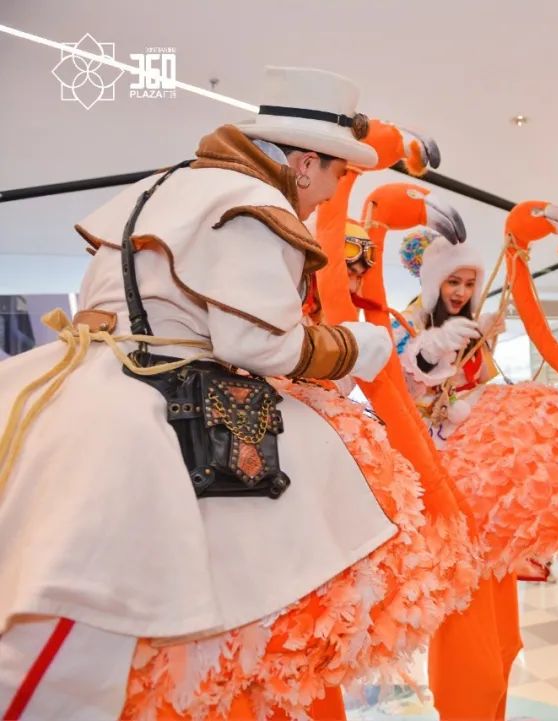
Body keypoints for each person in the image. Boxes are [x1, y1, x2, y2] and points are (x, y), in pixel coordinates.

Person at [0, 66, 397, 718]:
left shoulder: (167, 184)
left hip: (81, 379)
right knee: (82, 619)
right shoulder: (253, 204)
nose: (332, 192)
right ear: (305, 164)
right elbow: (256, 345)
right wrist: (358, 345)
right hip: (149, 408)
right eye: (337, 173)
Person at [393, 229, 505, 445]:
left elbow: (479, 378)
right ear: (436, 282)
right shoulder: (408, 323)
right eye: (453, 282)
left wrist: (484, 336)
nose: (462, 292)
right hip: (430, 433)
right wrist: (430, 352)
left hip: (476, 427)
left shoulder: (469, 323)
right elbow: (399, 387)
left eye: (470, 284)